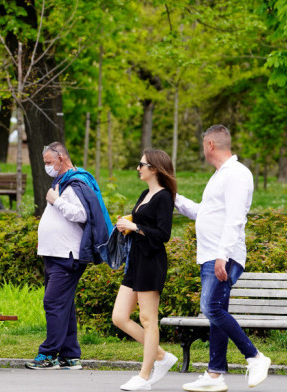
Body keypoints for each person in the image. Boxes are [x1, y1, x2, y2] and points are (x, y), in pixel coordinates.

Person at [175, 125, 271, 392]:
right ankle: (214, 375)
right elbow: (205, 213)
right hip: (213, 253)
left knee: (211, 308)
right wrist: (176, 199)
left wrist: (222, 255)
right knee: (217, 310)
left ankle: (255, 357)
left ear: (210, 144)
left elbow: (236, 217)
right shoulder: (220, 176)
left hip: (222, 254)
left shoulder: (237, 175)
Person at [26, 141, 110, 370]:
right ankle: (70, 356)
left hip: (67, 255)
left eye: (49, 162)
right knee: (64, 305)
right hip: (55, 254)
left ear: (61, 158)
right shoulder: (62, 182)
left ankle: (49, 354)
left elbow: (82, 214)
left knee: (52, 302)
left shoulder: (75, 183)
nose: (47, 167)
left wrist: (57, 201)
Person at [112, 150, 178, 391]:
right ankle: (161, 356)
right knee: (119, 316)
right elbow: (142, 223)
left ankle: (144, 376)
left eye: (141, 164)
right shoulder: (144, 193)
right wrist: (127, 226)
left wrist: (135, 226)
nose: (138, 168)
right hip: (136, 260)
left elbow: (164, 235)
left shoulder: (164, 197)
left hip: (152, 262)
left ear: (155, 168)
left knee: (148, 320)